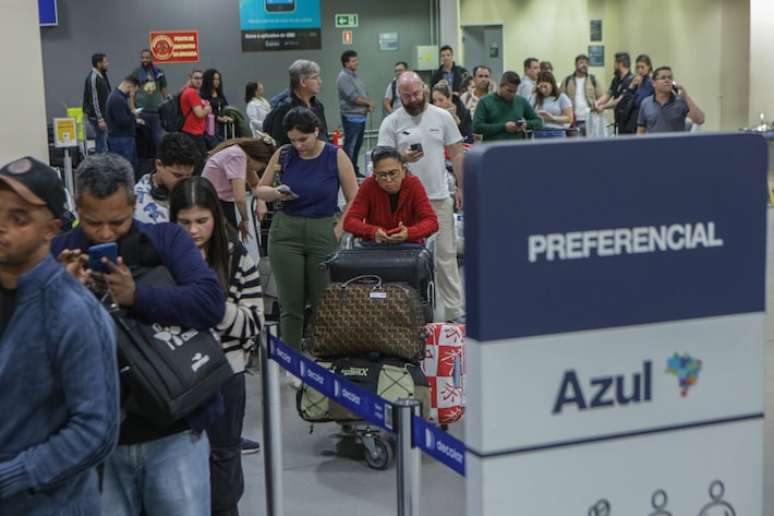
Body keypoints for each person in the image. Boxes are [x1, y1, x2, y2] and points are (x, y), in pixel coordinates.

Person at [51, 153, 225, 516]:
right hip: (93, 439)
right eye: (92, 222)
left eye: (117, 221)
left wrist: (137, 296)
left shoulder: (166, 239)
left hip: (174, 430)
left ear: (134, 203)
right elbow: (30, 342)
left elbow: (211, 303)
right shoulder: (58, 254)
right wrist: (60, 293)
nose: (104, 233)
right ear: (76, 207)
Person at [0, 157, 119, 516]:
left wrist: (11, 476)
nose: (1, 227)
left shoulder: (73, 312)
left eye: (19, 219)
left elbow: (95, 433)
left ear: (51, 228)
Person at [170, 176, 263, 516]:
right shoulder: (161, 258)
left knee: (223, 466)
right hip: (176, 377)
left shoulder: (236, 258)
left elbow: (253, 326)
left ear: (215, 217)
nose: (194, 231)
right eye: (184, 223)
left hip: (225, 376)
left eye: (201, 221)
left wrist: (211, 304)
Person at [256, 107, 358, 354]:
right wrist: (275, 193)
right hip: (285, 232)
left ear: (316, 131)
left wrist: (339, 229)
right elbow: (260, 189)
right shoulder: (283, 154)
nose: (298, 145)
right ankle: (291, 361)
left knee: (323, 301)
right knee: (290, 305)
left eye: (303, 139)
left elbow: (354, 197)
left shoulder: (336, 155)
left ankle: (325, 356)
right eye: (292, 140)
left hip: (323, 229)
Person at [378, 71, 466, 323]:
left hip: (438, 197)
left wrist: (462, 187)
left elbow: (457, 153)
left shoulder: (443, 117)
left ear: (424, 89)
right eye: (406, 96)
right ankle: (407, 312)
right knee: (405, 258)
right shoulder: (391, 123)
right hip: (402, 203)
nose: (413, 99)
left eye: (416, 93)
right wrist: (402, 157)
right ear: (398, 96)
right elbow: (380, 162)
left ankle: (453, 313)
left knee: (446, 257)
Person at [344, 146, 438, 244]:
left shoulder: (413, 184)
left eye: (393, 173)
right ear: (375, 175)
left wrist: (409, 233)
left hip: (409, 247)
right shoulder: (368, 185)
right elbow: (349, 221)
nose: (388, 179)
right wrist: (372, 232)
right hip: (375, 247)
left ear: (403, 171)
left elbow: (431, 221)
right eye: (382, 175)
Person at [202, 137, 276, 238]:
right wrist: (245, 219)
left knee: (230, 239)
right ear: (258, 158)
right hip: (213, 201)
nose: (261, 168)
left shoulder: (241, 154)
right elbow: (240, 198)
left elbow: (255, 184)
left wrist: (261, 201)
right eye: (262, 165)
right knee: (228, 241)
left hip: (219, 200)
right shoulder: (238, 156)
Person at [134, 132, 199, 224]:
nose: (184, 183)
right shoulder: (138, 205)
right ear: (159, 165)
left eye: (189, 175)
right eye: (178, 175)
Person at [264, 60, 328, 147]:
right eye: (314, 78)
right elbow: (280, 146)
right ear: (302, 82)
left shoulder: (317, 105)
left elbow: (323, 135)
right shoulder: (285, 108)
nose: (320, 81)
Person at [472, 71, 544, 141]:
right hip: (493, 149)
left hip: (516, 148)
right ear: (500, 86)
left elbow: (539, 122)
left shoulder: (521, 101)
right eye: (509, 91)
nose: (512, 95)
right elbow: (476, 127)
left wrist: (526, 125)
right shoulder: (485, 101)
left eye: (515, 91)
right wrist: (503, 127)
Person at [337, 50, 374, 177]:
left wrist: (367, 104)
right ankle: (347, 174)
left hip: (360, 117)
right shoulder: (343, 77)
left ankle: (354, 169)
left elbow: (361, 94)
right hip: (351, 118)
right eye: (353, 60)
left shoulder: (353, 76)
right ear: (346, 63)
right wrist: (368, 103)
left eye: (356, 60)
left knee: (357, 147)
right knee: (350, 148)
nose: (356, 62)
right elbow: (353, 97)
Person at [637, 66, 705, 134]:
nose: (667, 80)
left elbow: (700, 120)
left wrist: (686, 97)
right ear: (654, 83)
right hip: (653, 144)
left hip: (676, 144)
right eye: (663, 78)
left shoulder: (680, 102)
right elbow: (640, 131)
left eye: (670, 78)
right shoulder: (645, 103)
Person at [131, 49, 168, 151]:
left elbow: (164, 90)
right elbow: (132, 93)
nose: (144, 60)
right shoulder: (136, 73)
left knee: (158, 139)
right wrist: (133, 109)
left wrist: (168, 106)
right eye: (142, 58)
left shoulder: (159, 72)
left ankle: (159, 161)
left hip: (156, 112)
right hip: (141, 112)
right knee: (143, 139)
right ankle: (145, 164)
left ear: (152, 58)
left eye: (147, 57)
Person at [560, 54, 605, 136]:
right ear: (575, 65)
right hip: (572, 120)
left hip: (590, 119)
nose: (584, 65)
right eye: (581, 62)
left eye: (586, 63)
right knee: (573, 146)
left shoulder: (593, 80)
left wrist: (598, 107)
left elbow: (602, 97)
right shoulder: (567, 80)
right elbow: (560, 99)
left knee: (590, 145)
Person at [106, 75, 142, 170]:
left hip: (123, 139)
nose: (133, 94)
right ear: (130, 86)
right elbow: (123, 122)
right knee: (124, 170)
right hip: (121, 141)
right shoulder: (117, 99)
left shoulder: (119, 97)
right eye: (135, 91)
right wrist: (134, 113)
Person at [594, 52, 635, 134]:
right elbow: (608, 94)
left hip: (629, 122)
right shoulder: (616, 79)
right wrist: (597, 102)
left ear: (620, 64)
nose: (613, 66)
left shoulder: (631, 80)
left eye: (614, 63)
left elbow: (618, 102)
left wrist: (603, 107)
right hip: (618, 120)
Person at [181, 70, 212, 163]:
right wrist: (207, 108)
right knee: (200, 162)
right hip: (194, 132)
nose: (199, 81)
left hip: (188, 131)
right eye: (196, 78)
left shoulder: (184, 90)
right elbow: (199, 114)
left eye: (201, 78)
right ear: (190, 79)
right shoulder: (192, 93)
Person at [83, 52, 111, 153]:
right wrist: (100, 119)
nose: (107, 64)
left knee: (103, 141)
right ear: (99, 64)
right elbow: (94, 100)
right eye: (105, 62)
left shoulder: (102, 75)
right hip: (97, 117)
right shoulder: (93, 78)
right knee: (101, 143)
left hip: (104, 115)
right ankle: (100, 165)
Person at [620, 54, 655, 134]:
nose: (639, 70)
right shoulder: (635, 81)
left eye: (642, 67)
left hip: (642, 122)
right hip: (630, 121)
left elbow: (639, 102)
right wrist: (632, 86)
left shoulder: (650, 83)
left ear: (649, 67)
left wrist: (637, 88)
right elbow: (624, 101)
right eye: (637, 67)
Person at [531, 71, 573, 136]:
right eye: (540, 86)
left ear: (552, 84)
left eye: (545, 86)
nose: (543, 90)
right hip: (538, 133)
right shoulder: (535, 97)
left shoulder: (561, 97)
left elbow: (569, 118)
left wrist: (553, 118)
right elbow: (528, 114)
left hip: (556, 132)